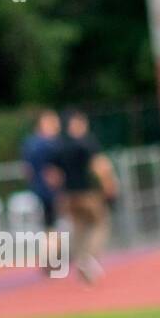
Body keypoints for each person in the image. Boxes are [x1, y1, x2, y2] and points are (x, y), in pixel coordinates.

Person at [49, 110, 119, 283]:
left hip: (69, 196)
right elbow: (100, 166)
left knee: (78, 229)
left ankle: (81, 261)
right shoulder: (88, 144)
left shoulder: (60, 146)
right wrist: (109, 186)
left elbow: (53, 176)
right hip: (89, 193)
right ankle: (90, 259)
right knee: (100, 225)